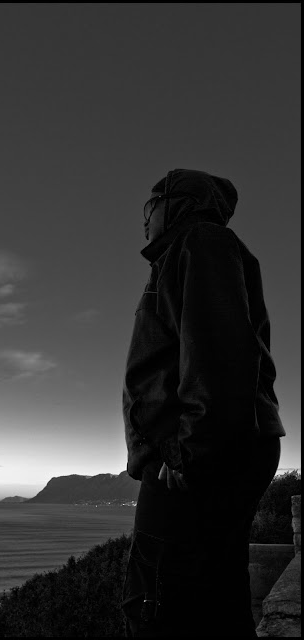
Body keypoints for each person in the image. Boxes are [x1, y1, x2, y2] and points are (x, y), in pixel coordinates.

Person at [121, 168, 286, 637]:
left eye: (150, 205)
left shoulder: (201, 243)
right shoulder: (191, 251)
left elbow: (219, 350)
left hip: (192, 457)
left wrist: (191, 452)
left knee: (156, 600)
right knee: (214, 593)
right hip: (206, 449)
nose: (144, 218)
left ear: (178, 203)